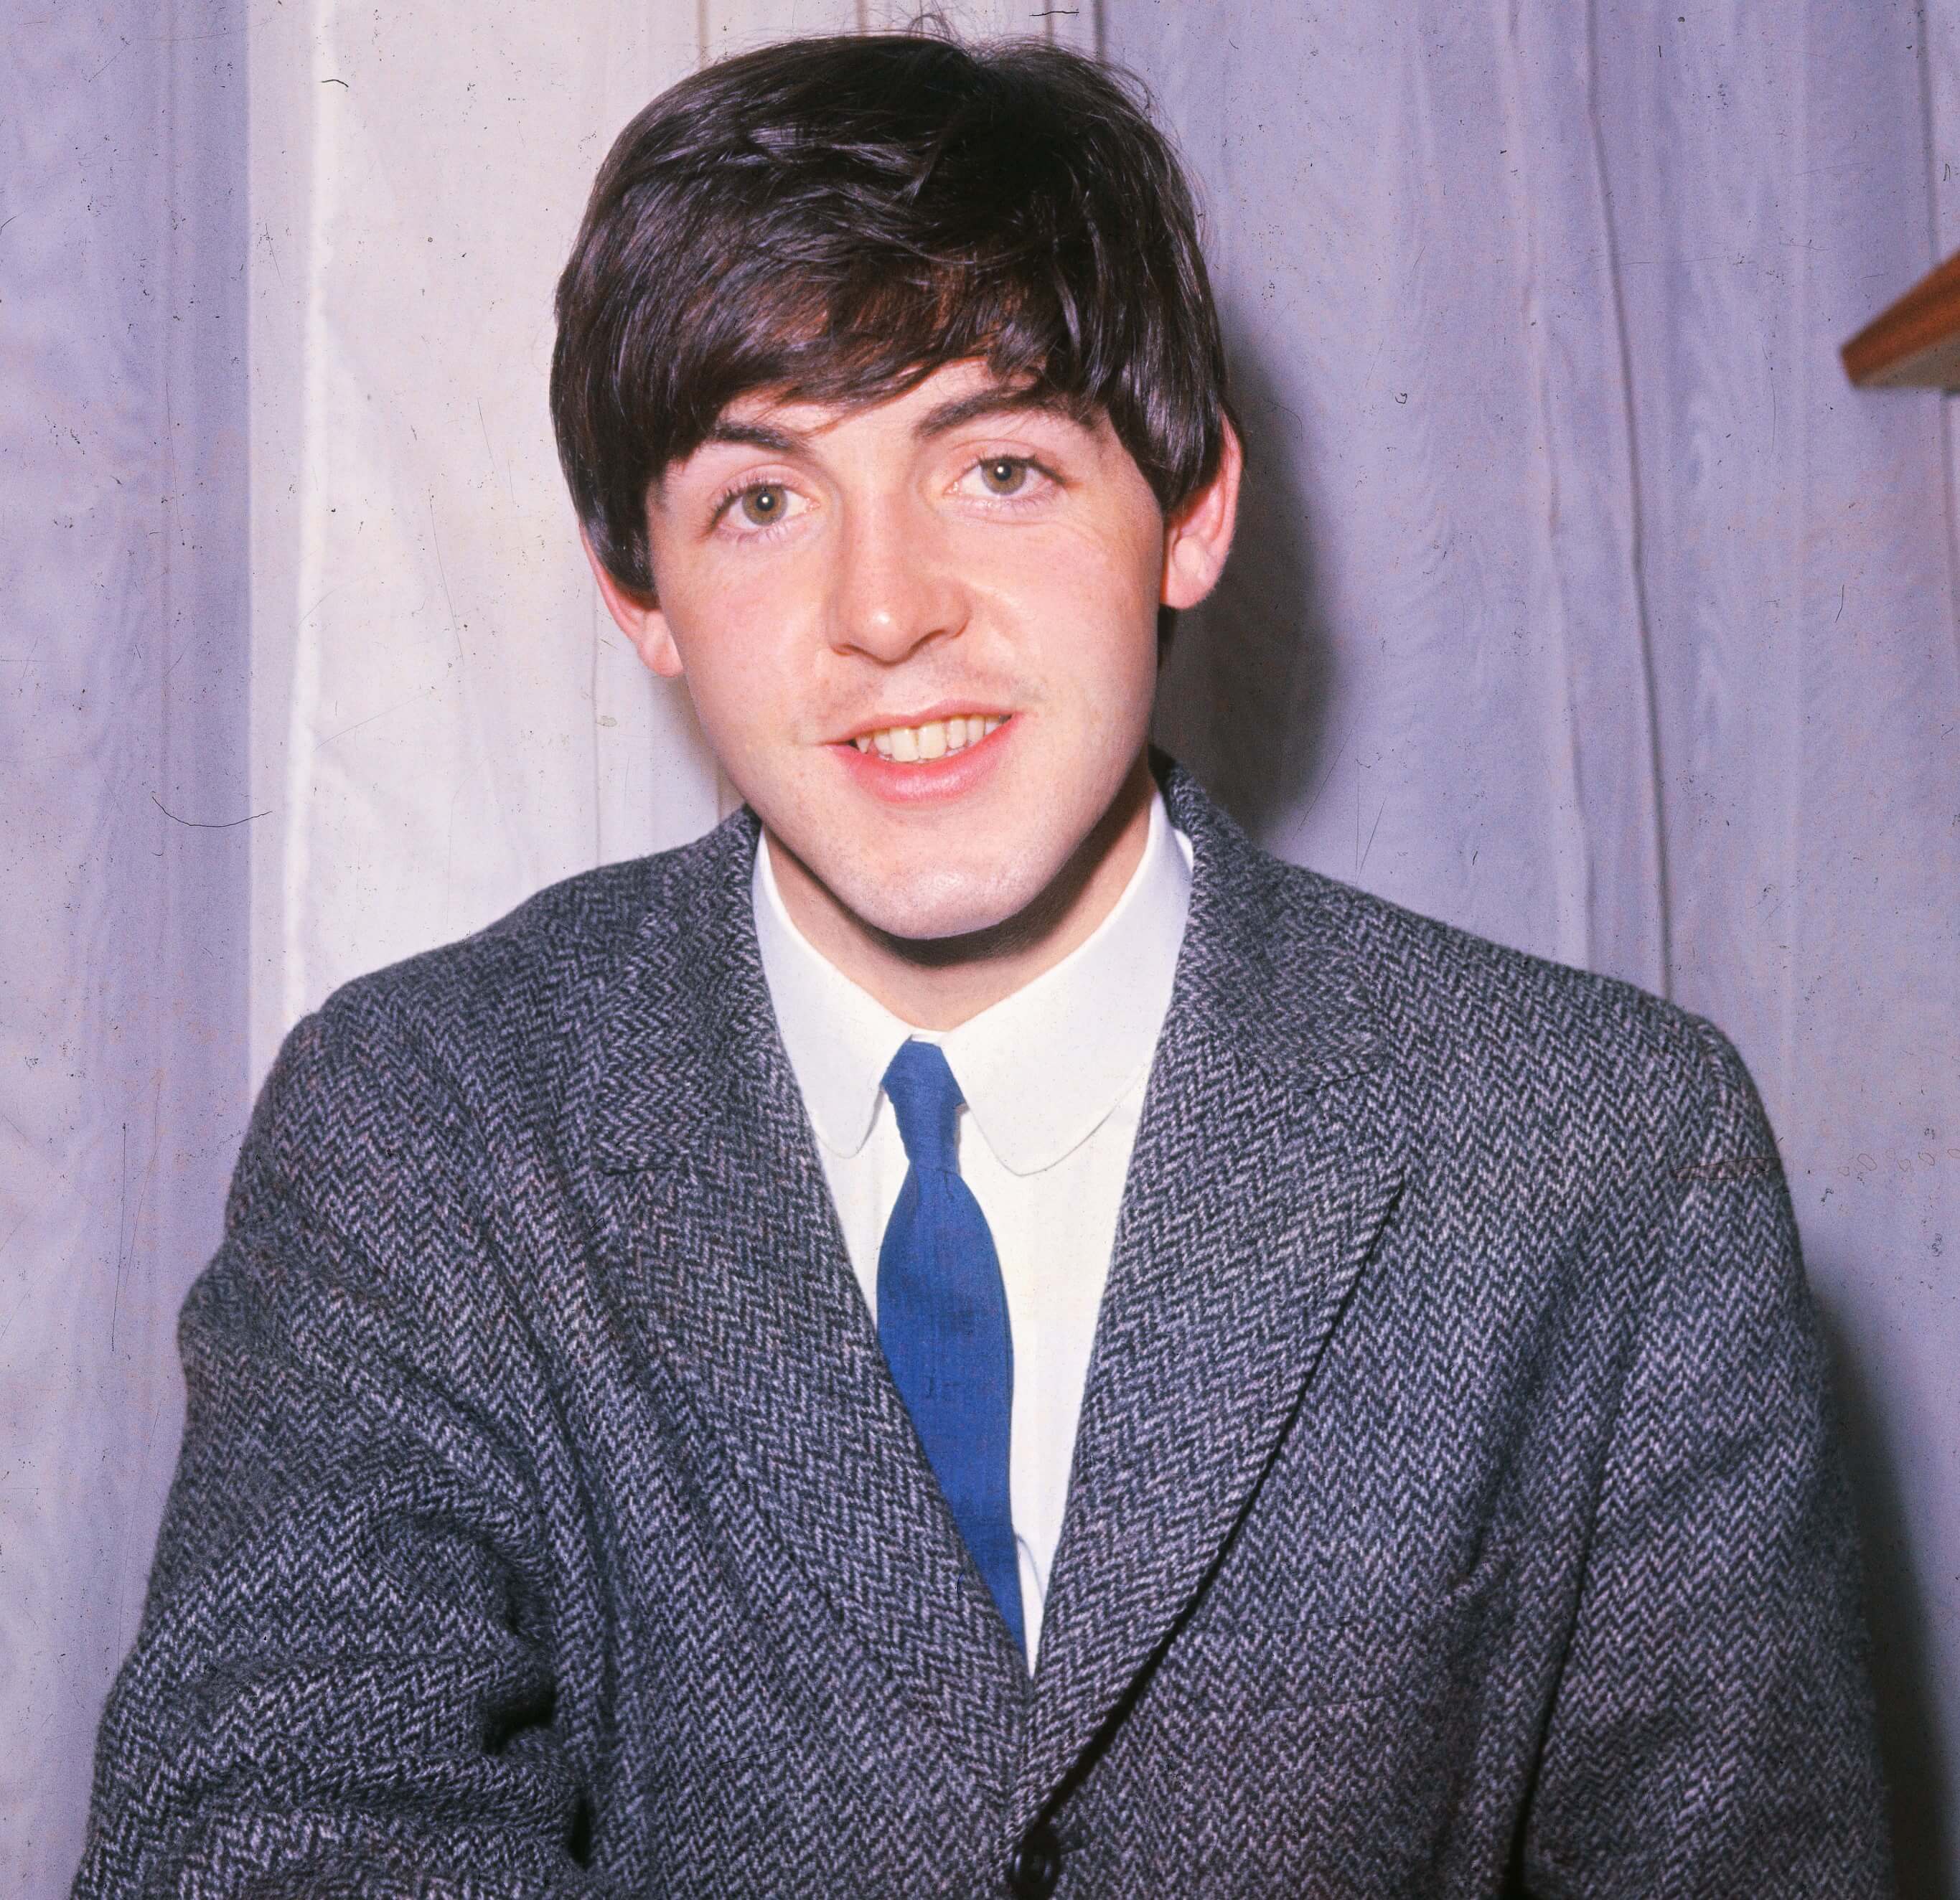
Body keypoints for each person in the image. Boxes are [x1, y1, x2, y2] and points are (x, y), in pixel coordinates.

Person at [72, 29, 1890, 1899]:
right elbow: (272, 1837)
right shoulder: (427, 1128)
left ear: (1186, 513)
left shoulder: (1600, 1150)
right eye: (762, 501)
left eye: (998, 467)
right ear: (643, 597)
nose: (884, 612)